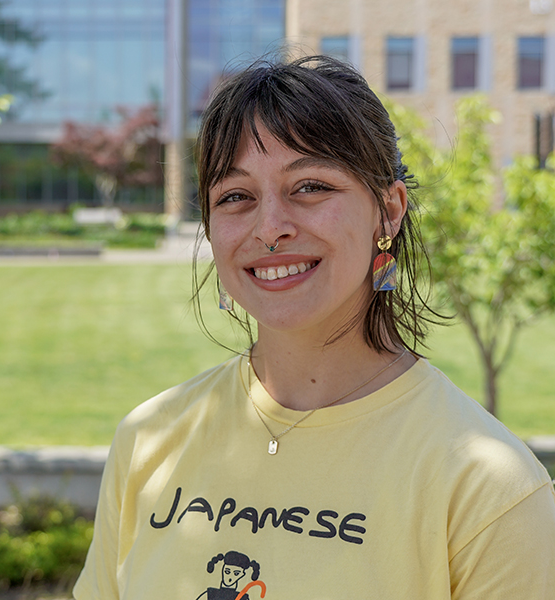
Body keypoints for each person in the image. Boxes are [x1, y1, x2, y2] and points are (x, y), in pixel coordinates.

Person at [73, 56, 555, 599]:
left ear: (389, 211)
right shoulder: (148, 440)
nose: (270, 227)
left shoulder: (489, 490)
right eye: (236, 196)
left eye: (309, 186)